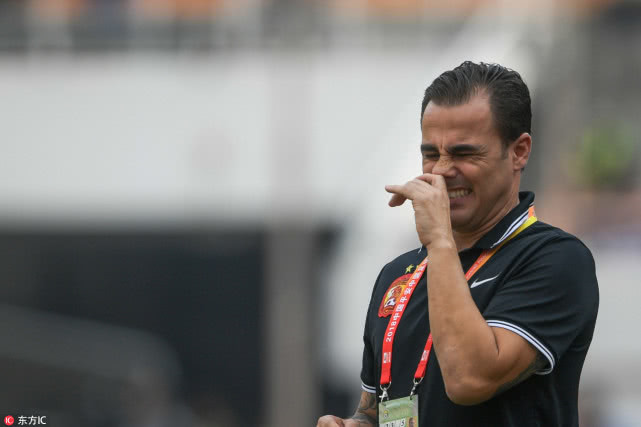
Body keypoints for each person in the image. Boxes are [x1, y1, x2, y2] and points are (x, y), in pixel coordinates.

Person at [317, 61, 599, 427]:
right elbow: (378, 409)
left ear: (519, 152)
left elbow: (470, 380)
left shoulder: (555, 259)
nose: (441, 171)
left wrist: (439, 240)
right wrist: (355, 424)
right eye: (431, 154)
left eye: (464, 154)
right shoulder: (397, 275)